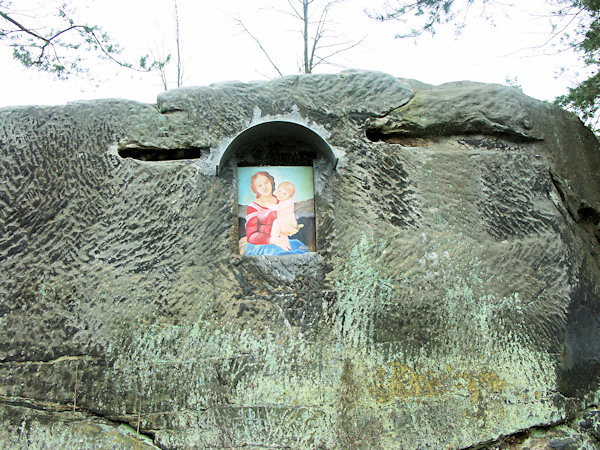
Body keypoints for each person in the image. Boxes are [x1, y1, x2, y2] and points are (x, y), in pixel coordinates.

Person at [244, 171, 307, 256]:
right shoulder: (253, 207)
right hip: (262, 243)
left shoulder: (282, 201)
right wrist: (272, 239)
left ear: (271, 182)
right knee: (277, 252)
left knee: (298, 249)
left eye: (266, 182)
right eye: (259, 185)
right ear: (256, 189)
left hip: (284, 239)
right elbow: (251, 235)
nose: (264, 187)